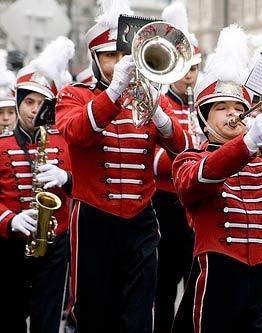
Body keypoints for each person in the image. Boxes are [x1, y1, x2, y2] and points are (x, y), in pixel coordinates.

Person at [171, 24, 262, 333]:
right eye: (221, 108)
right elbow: (195, 182)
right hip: (219, 270)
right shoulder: (191, 157)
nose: (232, 114)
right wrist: (248, 144)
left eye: (239, 107)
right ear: (204, 121)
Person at [55, 1, 189, 332]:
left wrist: (160, 114)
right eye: (110, 57)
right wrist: (114, 92)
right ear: (96, 60)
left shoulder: (147, 97)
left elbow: (184, 150)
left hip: (140, 217)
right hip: (94, 217)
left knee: (140, 312)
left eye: (122, 56)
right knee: (94, 311)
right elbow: (77, 133)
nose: (118, 64)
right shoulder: (75, 94)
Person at [0, 36, 74, 333]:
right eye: (28, 102)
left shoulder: (65, 140)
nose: (34, 110)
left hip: (54, 246)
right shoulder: (2, 144)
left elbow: (85, 186)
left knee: (47, 321)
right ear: (18, 104)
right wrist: (10, 218)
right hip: (9, 244)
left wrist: (66, 178)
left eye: (42, 102)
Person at [152, 2, 201, 332]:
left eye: (194, 69)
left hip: (196, 205)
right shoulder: (161, 103)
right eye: (184, 70)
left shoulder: (205, 107)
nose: (189, 77)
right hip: (164, 203)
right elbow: (153, 160)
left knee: (196, 285)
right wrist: (190, 149)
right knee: (163, 286)